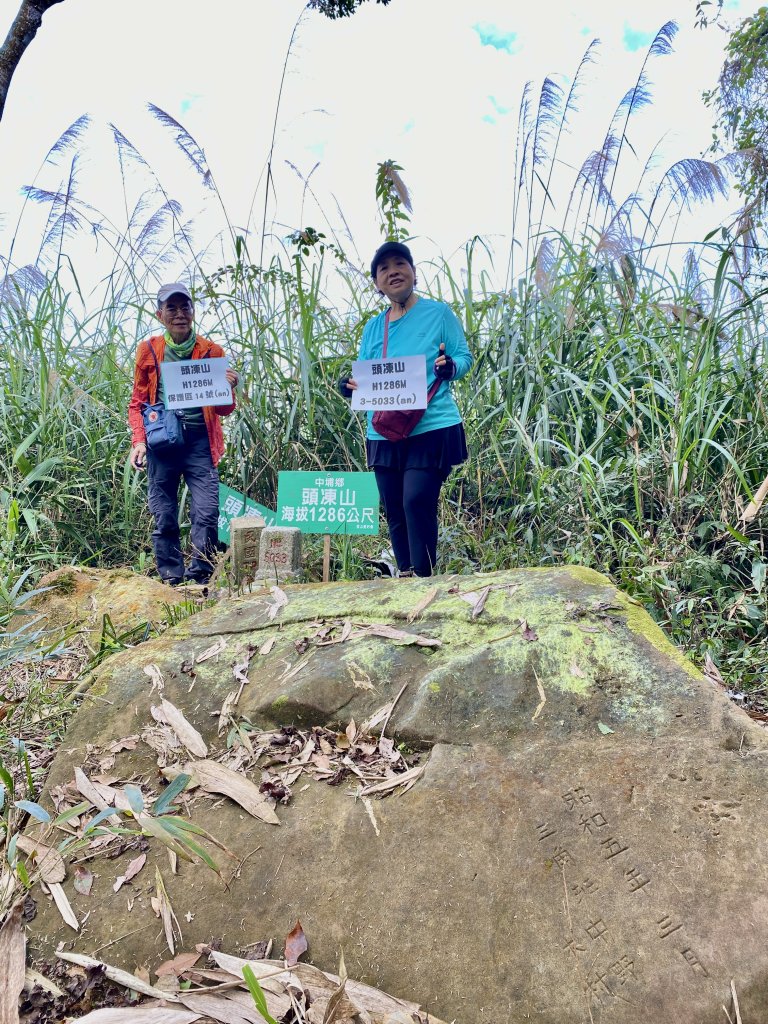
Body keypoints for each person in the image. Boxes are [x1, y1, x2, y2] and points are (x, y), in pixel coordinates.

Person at [340, 242, 472, 577]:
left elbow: (463, 357)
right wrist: (349, 387)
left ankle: (425, 579)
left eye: (400, 263)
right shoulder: (373, 327)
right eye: (384, 268)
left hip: (431, 425)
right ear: (376, 283)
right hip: (383, 430)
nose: (393, 271)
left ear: (414, 272)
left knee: (416, 500)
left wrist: (449, 367)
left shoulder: (438, 313)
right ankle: (407, 577)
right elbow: (366, 376)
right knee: (395, 508)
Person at [128, 283, 239, 586]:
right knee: (163, 511)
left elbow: (224, 409)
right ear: (159, 314)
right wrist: (138, 440)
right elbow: (137, 402)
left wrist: (229, 386)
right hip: (162, 439)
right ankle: (171, 576)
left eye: (185, 307)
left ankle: (201, 574)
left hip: (199, 440)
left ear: (193, 311)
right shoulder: (149, 350)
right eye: (172, 308)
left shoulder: (211, 351)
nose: (180, 314)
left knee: (207, 509)